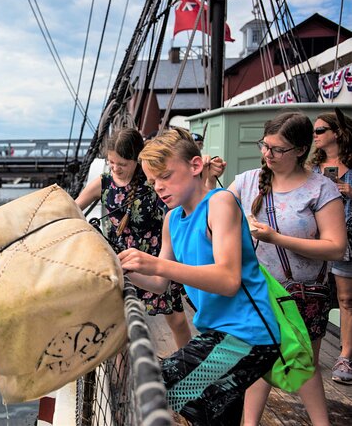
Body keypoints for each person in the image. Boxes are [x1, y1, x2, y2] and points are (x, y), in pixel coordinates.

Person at [118, 127, 280, 424]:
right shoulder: (172, 219)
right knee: (217, 414)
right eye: (154, 182)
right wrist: (123, 273)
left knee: (159, 383)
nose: (159, 187)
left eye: (165, 176)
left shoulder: (220, 203)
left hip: (248, 335)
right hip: (218, 333)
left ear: (195, 166)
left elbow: (229, 280)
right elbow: (158, 283)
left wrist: (154, 264)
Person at [228, 112, 347, 425]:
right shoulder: (246, 181)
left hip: (302, 294)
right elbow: (214, 218)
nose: (268, 154)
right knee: (260, 360)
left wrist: (275, 237)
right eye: (265, 146)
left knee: (302, 364)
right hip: (259, 290)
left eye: (277, 149)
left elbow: (336, 247)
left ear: (300, 150)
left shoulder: (321, 189)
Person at [75, 127, 193, 348]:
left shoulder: (151, 183)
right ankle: (121, 378)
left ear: (136, 159)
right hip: (120, 261)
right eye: (112, 162)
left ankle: (189, 361)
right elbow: (73, 209)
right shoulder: (104, 183)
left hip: (155, 258)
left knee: (176, 319)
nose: (116, 168)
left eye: (123, 163)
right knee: (118, 324)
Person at [310, 111, 352, 385]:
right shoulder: (311, 168)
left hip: (347, 240)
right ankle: (309, 354)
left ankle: (346, 355)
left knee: (347, 299)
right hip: (313, 241)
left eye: (320, 130)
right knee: (315, 297)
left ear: (336, 133)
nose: (315, 135)